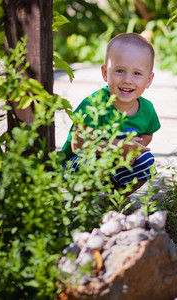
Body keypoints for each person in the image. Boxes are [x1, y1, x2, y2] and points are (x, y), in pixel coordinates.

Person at [60, 33, 160, 195]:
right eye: (120, 71)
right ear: (105, 73)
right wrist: (117, 147)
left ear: (149, 80)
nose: (127, 80)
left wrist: (134, 150)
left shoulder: (146, 109)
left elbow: (147, 134)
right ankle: (85, 201)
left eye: (137, 73)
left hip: (116, 165)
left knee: (146, 162)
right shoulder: (95, 104)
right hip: (78, 164)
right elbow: (78, 144)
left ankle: (114, 199)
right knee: (89, 163)